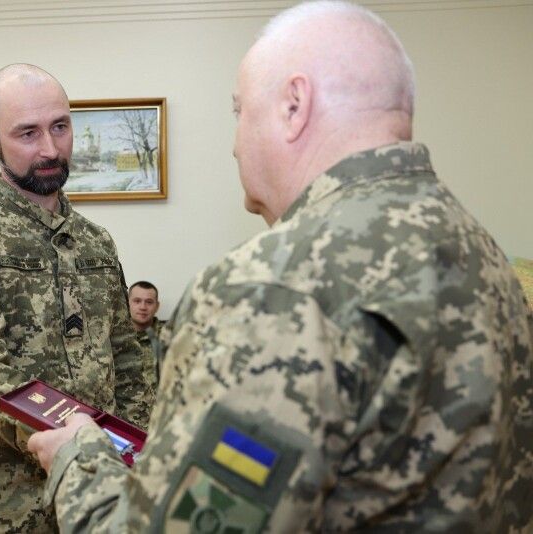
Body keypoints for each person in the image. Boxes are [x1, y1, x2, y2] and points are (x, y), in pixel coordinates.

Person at [27, 2, 533, 532]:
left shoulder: (272, 287)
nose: (234, 146)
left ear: (295, 105)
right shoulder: (483, 253)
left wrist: (78, 456)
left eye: (239, 113)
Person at [0, 63, 153, 532]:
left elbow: (126, 356)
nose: (50, 149)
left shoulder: (95, 241)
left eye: (60, 127)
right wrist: (80, 447)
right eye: (27, 133)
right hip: (2, 504)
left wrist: (134, 451)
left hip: (98, 494)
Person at [128, 281, 166, 389]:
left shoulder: (170, 335)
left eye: (149, 302)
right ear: (126, 303)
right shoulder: (114, 337)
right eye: (137, 301)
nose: (143, 307)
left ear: (157, 306)